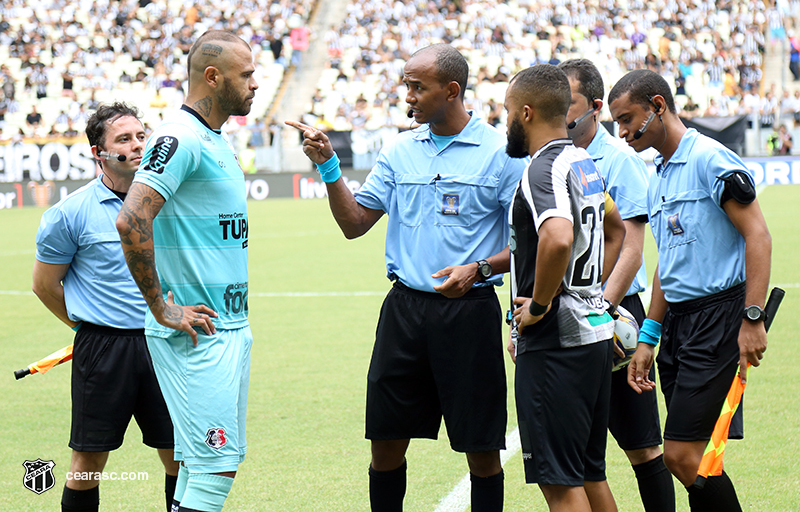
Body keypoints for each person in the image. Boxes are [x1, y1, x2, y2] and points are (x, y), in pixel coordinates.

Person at [286, 43, 526, 512]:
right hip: (405, 312)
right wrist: (328, 166)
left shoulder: (501, 153)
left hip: (470, 312)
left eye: (418, 87)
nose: (407, 95)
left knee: (481, 450)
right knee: (386, 442)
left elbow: (529, 243)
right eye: (406, 85)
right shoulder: (399, 149)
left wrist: (479, 268)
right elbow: (354, 223)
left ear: (451, 90)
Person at [608, 69, 771, 511]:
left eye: (627, 119)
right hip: (678, 325)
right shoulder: (658, 173)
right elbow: (668, 264)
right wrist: (648, 337)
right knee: (693, 459)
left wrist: (752, 320)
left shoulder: (711, 159)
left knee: (681, 456)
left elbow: (758, 236)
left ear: (658, 106)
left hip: (718, 320)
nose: (621, 133)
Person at [115, 30, 258, 512]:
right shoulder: (180, 136)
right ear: (213, 77)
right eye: (247, 74)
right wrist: (161, 307)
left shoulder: (213, 138)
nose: (256, 83)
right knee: (215, 468)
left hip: (226, 327)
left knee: (206, 463)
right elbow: (132, 216)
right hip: (197, 334)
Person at [32, 102, 179, 512]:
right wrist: (86, 329)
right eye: (124, 139)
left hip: (164, 341)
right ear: (100, 153)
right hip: (103, 349)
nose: (137, 145)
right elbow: (44, 286)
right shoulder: (68, 214)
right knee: (87, 462)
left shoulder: (169, 203)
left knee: (178, 454)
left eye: (140, 136)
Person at [504, 63, 625, 512]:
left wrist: (539, 305)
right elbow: (615, 229)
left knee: (559, 483)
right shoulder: (583, 160)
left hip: (557, 343)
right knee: (589, 473)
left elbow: (557, 237)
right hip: (591, 335)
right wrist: (591, 291)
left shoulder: (544, 168)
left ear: (528, 113)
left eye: (508, 112)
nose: (507, 122)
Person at [558, 59, 675, 512]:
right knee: (584, 454)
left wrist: (599, 309)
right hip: (567, 312)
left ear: (595, 107)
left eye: (569, 103)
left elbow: (631, 247)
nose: (561, 112)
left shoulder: (619, 159)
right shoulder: (551, 158)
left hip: (615, 312)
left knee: (642, 447)